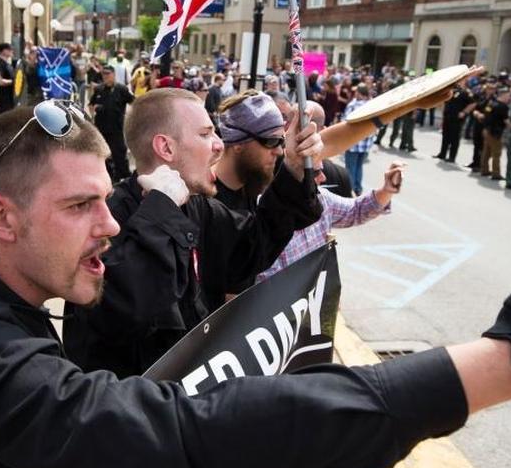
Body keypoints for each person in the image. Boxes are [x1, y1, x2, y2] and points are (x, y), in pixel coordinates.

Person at [0, 101, 511, 468]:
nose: (109, 225)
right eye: (81, 207)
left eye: (104, 200)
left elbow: (242, 259)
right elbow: (183, 430)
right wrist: (510, 362)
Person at [62, 88, 322, 377]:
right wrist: (161, 212)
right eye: (205, 134)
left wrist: (294, 169)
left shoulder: (199, 207)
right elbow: (123, 310)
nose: (219, 145)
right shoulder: (108, 218)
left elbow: (250, 250)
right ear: (166, 148)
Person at [259, 159, 401, 281]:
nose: (323, 178)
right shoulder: (262, 215)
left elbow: (356, 210)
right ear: (291, 179)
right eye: (315, 173)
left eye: (321, 170)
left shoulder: (322, 198)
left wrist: (387, 190)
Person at [88, 65, 133, 181]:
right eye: (104, 74)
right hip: (101, 129)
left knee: (119, 155)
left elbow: (134, 101)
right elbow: (91, 104)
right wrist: (94, 110)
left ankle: (125, 179)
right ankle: (107, 177)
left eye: (108, 74)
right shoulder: (99, 89)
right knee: (102, 155)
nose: (105, 76)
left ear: (113, 75)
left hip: (116, 129)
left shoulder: (121, 89)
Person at [342, 85, 376, 195]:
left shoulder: (353, 105)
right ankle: (358, 188)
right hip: (366, 143)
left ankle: (350, 190)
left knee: (350, 167)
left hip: (353, 142)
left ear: (359, 93)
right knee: (359, 166)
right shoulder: (372, 105)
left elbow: (345, 122)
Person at [436, 79, 475, 163]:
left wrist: (464, 112)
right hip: (448, 116)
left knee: (454, 138)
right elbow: (446, 103)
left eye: (461, 81)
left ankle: (452, 157)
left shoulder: (467, 92)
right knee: (445, 136)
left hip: (457, 119)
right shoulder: (453, 91)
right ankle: (442, 154)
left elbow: (473, 104)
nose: (458, 82)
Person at [475, 86, 508, 180]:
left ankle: (484, 170)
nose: (509, 98)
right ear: (504, 95)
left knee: (486, 152)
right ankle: (496, 173)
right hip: (495, 132)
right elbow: (506, 120)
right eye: (508, 95)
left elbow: (486, 114)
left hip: (486, 130)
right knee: (496, 153)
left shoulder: (491, 103)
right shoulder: (503, 106)